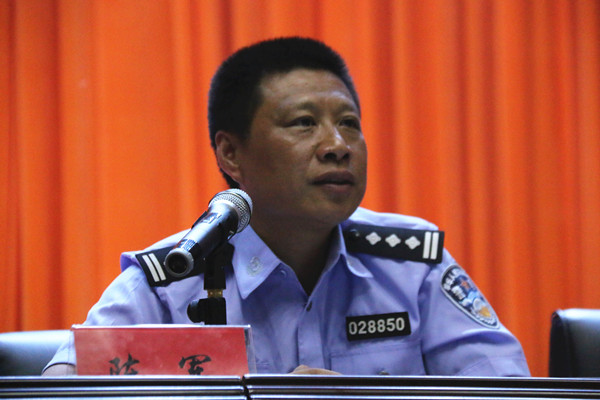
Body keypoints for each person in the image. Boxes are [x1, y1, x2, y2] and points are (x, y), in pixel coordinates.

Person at [43, 37, 530, 376]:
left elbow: (506, 390)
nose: (337, 145)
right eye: (303, 123)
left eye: (349, 123)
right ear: (230, 153)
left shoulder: (410, 267)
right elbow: (60, 392)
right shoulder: (174, 277)